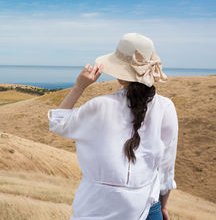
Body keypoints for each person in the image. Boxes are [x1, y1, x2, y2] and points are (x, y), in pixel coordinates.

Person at [48, 33, 178, 220]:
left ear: (119, 74)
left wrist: (80, 86)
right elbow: (166, 164)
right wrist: (162, 205)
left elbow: (58, 123)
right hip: (148, 207)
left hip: (97, 208)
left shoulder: (100, 105)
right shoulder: (166, 107)